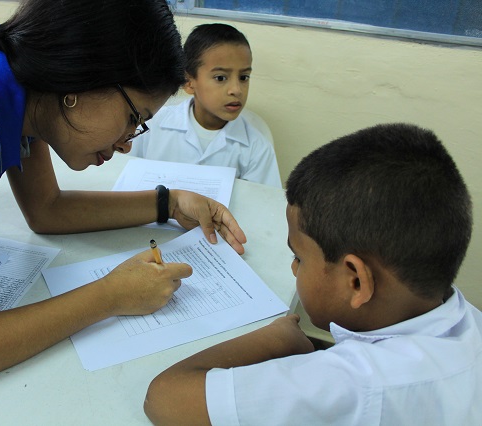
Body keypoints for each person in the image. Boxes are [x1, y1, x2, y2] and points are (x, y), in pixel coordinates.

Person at [0, 0, 248, 395]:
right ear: (78, 82)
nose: (127, 144)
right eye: (133, 118)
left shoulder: (17, 81)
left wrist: (170, 202)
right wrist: (109, 296)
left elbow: (46, 209)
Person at [144, 123, 482, 425]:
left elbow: (165, 398)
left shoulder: (355, 385)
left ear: (356, 281)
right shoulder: (467, 321)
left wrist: (277, 339)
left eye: (298, 258)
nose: (293, 267)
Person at [128, 23, 281, 188]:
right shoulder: (152, 125)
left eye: (244, 77)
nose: (236, 90)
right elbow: (124, 176)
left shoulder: (257, 147)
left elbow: (263, 204)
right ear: (188, 82)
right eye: (220, 78)